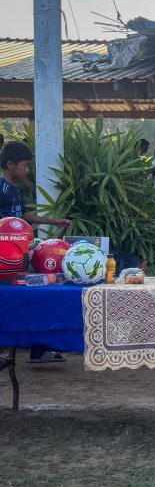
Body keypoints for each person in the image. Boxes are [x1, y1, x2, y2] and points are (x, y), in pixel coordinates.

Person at [1, 141, 72, 363]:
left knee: (34, 299)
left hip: (23, 255)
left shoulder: (14, 189)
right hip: (6, 261)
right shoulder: (1, 188)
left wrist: (53, 221)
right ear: (10, 164)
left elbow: (23, 216)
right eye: (25, 165)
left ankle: (38, 350)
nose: (27, 170)